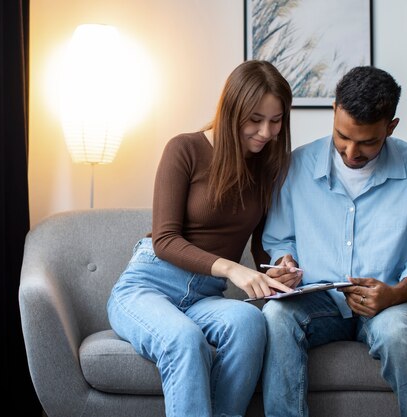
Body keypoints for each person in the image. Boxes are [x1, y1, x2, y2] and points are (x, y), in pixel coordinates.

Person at [107, 60, 299, 417]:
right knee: (184, 340)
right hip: (148, 286)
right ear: (231, 110)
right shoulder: (185, 149)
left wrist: (277, 267)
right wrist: (230, 269)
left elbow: (260, 247)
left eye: (276, 121)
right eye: (255, 119)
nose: (266, 132)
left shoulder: (268, 168)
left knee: (249, 322)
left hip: (204, 297)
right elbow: (164, 239)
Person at [260, 66, 407, 417]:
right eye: (342, 136)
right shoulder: (296, 165)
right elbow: (280, 238)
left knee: (396, 333)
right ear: (333, 111)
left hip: (393, 302)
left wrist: (392, 294)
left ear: (391, 127)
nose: (351, 152)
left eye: (367, 142)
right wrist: (284, 263)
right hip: (320, 302)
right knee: (275, 315)